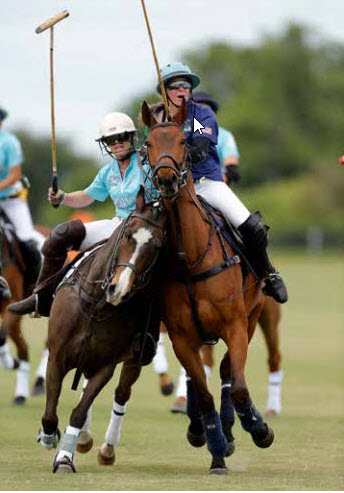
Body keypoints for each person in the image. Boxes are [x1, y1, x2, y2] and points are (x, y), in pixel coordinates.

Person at [150, 62, 288, 304]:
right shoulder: (156, 118)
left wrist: (177, 152)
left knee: (252, 228)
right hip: (167, 190)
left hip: (205, 184)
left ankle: (268, 274)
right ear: (165, 91)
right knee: (141, 233)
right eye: (176, 85)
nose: (183, 89)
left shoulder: (197, 115)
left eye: (186, 85)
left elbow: (202, 144)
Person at [9, 112, 155, 315]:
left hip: (145, 228)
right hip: (117, 225)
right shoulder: (108, 171)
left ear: (132, 137)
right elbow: (87, 196)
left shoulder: (148, 162)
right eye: (111, 140)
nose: (118, 143)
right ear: (106, 144)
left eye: (122, 137)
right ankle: (40, 297)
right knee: (60, 234)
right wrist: (63, 198)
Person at [0, 106, 43, 300]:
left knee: (27, 240)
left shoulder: (9, 142)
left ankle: (34, 290)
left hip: (11, 200)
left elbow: (14, 174)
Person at [192, 91, 240, 185]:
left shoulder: (224, 136)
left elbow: (231, 167)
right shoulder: (180, 132)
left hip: (213, 182)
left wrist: (219, 181)